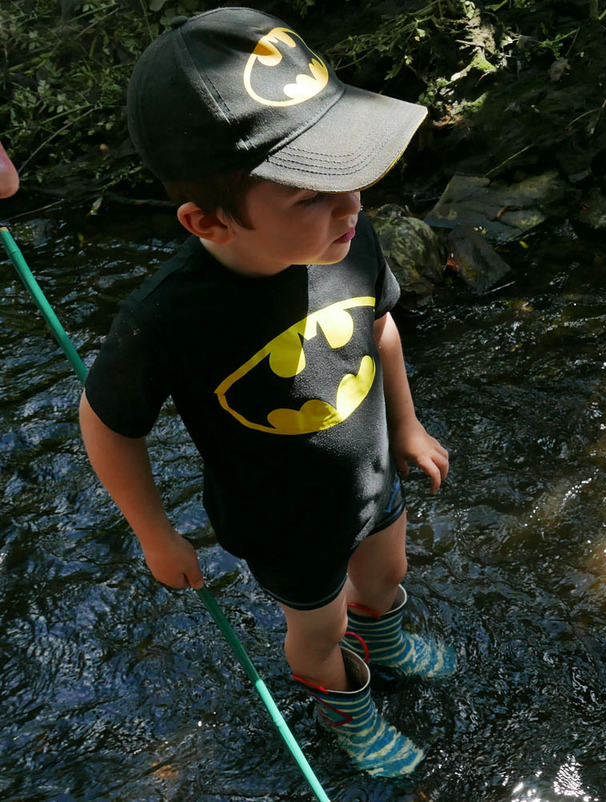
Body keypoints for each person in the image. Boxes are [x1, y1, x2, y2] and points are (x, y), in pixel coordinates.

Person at [78, 8, 454, 778]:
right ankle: (344, 706)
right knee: (319, 631)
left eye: (346, 175)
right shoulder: (168, 319)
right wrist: (155, 533)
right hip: (282, 522)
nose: (350, 204)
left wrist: (408, 425)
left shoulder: (348, 238)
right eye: (309, 195)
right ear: (208, 222)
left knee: (386, 574)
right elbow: (107, 423)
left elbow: (379, 327)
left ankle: (384, 641)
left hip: (371, 476)